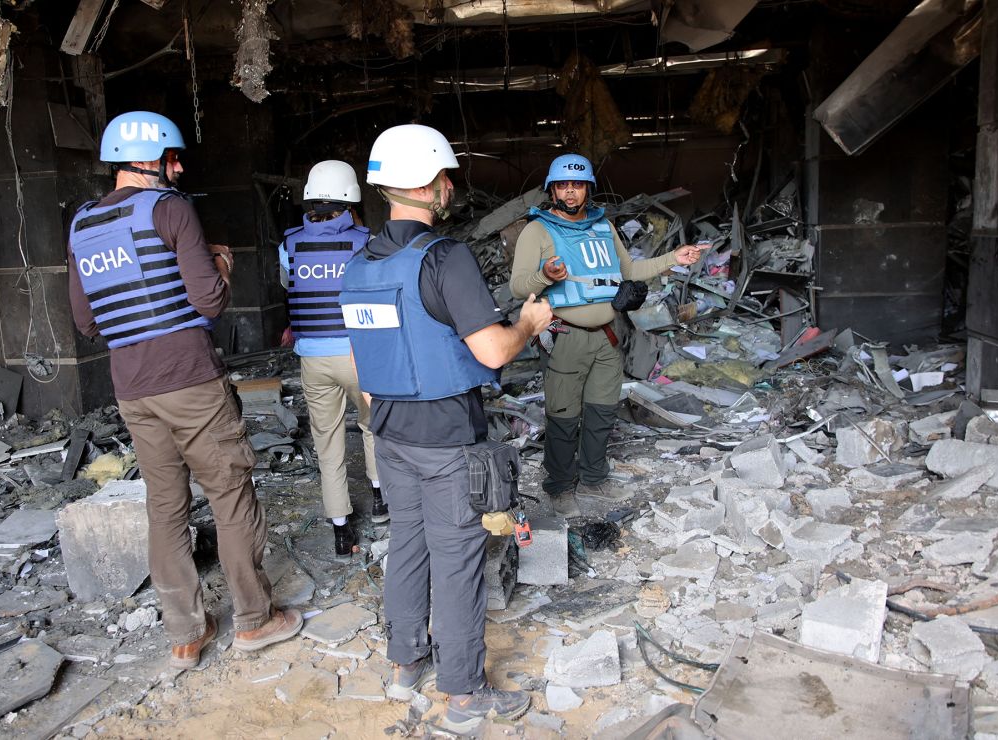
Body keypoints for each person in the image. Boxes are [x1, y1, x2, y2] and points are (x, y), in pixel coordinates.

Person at [67, 111, 303, 670]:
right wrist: (219, 264)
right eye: (173, 157)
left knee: (165, 507)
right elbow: (210, 303)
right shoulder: (170, 209)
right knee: (229, 493)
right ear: (147, 161)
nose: (180, 166)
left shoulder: (79, 225)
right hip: (191, 382)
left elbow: (86, 322)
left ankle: (184, 635)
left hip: (132, 389)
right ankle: (255, 620)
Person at [340, 124, 553, 733]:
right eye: (446, 177)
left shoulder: (359, 266)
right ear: (432, 185)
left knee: (407, 544)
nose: (451, 187)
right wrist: (530, 324)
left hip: (390, 433)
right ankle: (464, 691)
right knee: (457, 557)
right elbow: (490, 352)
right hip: (446, 439)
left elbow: (365, 367)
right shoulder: (444, 256)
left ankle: (407, 661)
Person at [509, 153, 707, 519]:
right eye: (563, 186)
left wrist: (673, 258)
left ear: (588, 190)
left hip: (606, 336)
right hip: (565, 337)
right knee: (564, 417)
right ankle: (558, 487)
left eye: (577, 185)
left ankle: (593, 479)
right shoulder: (537, 230)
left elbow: (629, 269)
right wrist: (546, 276)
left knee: (602, 411)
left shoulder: (604, 227)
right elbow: (519, 285)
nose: (570, 192)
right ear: (553, 189)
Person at [279, 160, 385, 558]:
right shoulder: (366, 241)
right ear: (351, 200)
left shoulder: (289, 243)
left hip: (314, 360)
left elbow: (288, 286)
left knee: (328, 443)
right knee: (375, 427)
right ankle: (380, 501)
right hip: (360, 355)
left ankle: (341, 529)